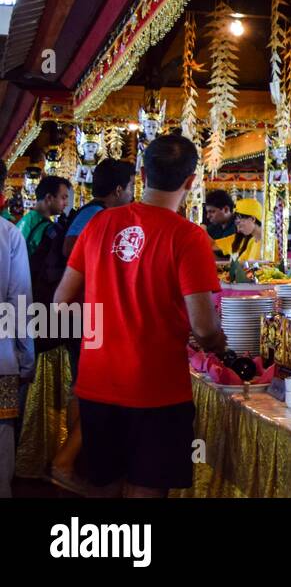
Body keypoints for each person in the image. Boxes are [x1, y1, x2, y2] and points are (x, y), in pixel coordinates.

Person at [54, 134, 225, 497]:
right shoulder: (189, 237)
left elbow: (61, 303)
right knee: (146, 492)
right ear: (191, 182)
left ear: (142, 175)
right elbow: (204, 327)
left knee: (105, 489)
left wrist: (104, 327)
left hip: (98, 382)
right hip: (156, 389)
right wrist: (218, 342)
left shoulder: (98, 225)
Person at [50, 158, 135, 487]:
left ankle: (75, 461)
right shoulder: (97, 215)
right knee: (94, 391)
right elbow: (73, 250)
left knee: (89, 389)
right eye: (130, 187)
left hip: (86, 313)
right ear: (118, 189)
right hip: (86, 314)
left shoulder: (95, 214)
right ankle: (68, 461)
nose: (131, 194)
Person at [0, 215, 34, 498]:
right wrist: (26, 359)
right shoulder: (9, 235)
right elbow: (19, 302)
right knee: (1, 433)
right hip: (3, 359)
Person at [16, 176, 71, 262]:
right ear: (49, 198)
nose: (66, 203)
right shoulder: (46, 229)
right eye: (63, 198)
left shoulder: (26, 219)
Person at [203, 190, 237, 257]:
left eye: (212, 212)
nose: (208, 216)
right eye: (207, 212)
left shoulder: (239, 226)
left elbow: (217, 249)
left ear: (226, 209)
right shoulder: (215, 226)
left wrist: (202, 231)